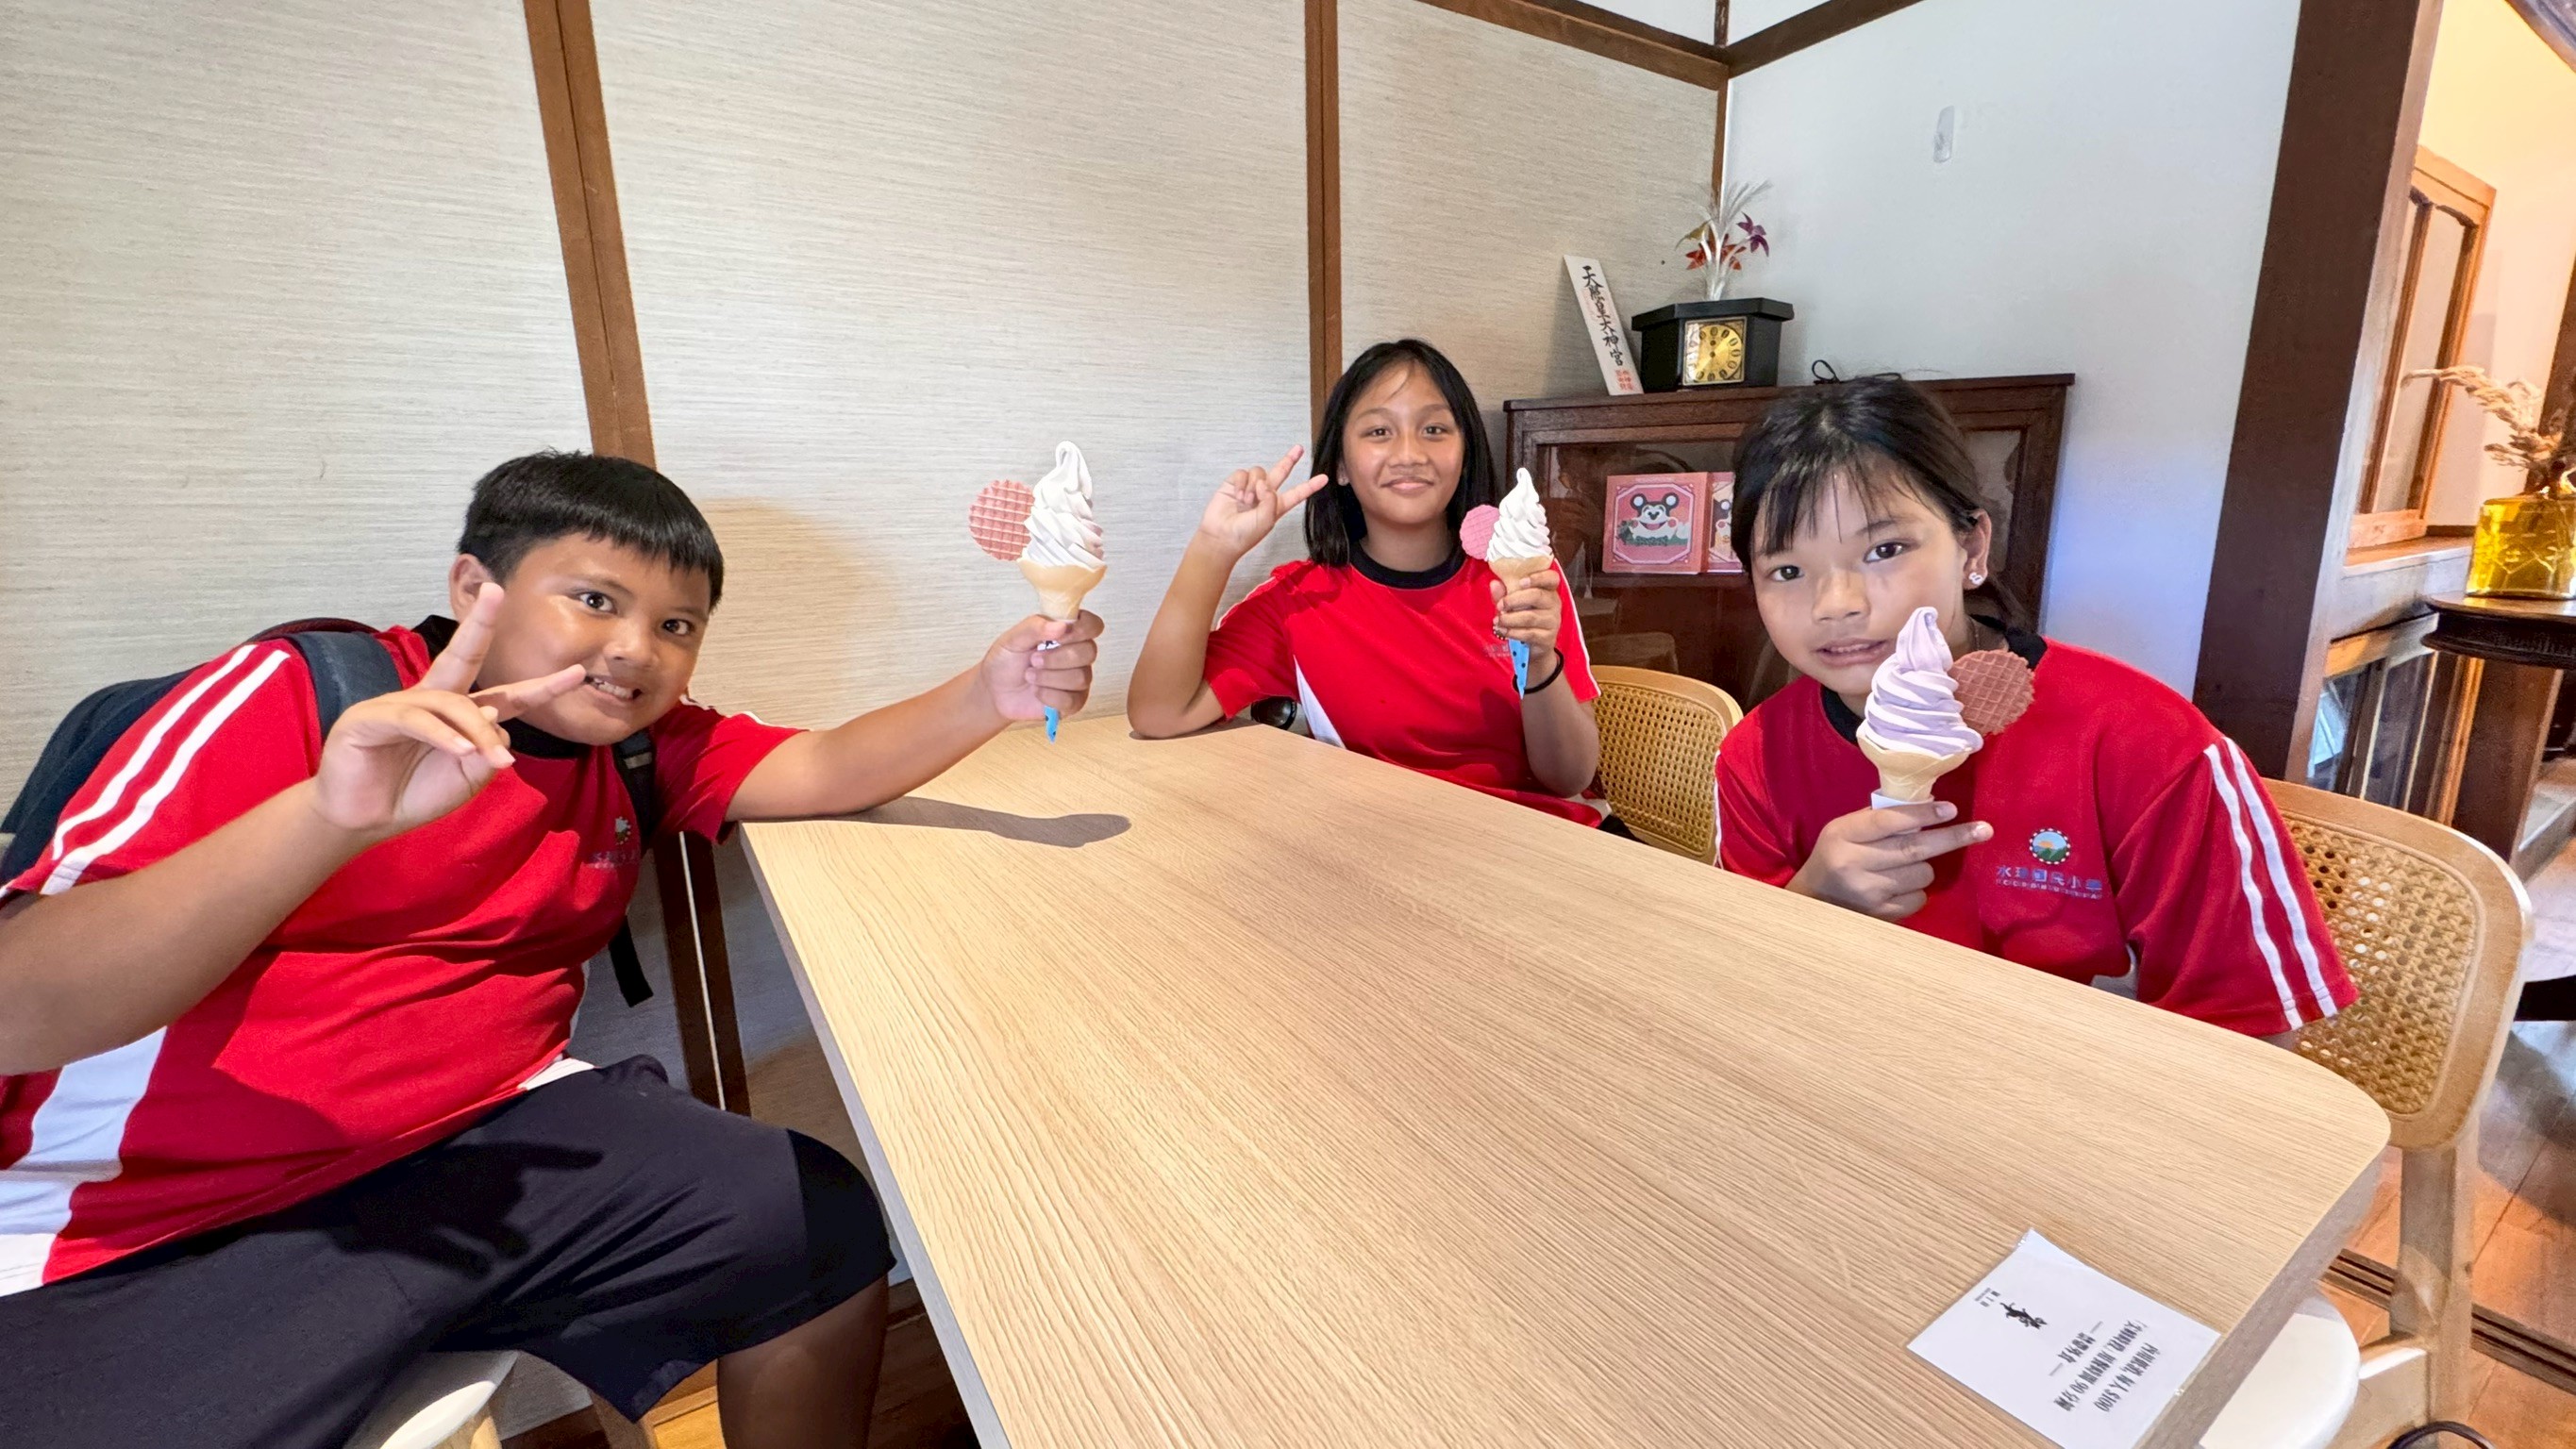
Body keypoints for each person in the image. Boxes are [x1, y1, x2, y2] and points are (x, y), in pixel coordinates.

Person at [0, 453, 1101, 1449]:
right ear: (474, 587)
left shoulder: (637, 750)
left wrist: (988, 693)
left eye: (678, 624)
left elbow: (819, 767)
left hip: (494, 1147)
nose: (636, 649)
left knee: (813, 1221)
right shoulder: (308, 692)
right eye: (596, 600)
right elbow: (19, 1006)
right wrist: (329, 816)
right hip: (151, 1225)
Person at [1712, 378, 2354, 1041]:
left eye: (1885, 550)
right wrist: (1812, 896)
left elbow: (2250, 1026)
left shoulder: (2149, 744)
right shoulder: (1756, 754)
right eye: (1788, 571)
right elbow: (1747, 986)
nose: (1836, 604)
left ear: (1972, 549)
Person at [1128, 338, 1609, 826]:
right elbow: (1158, 714)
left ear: (1465, 453)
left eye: (1434, 429)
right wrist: (1213, 548)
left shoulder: (1524, 580)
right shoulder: (1297, 603)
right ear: (1340, 464)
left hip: (1541, 840)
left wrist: (1539, 658)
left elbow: (1568, 777)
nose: (1409, 453)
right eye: (1379, 431)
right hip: (1388, 846)